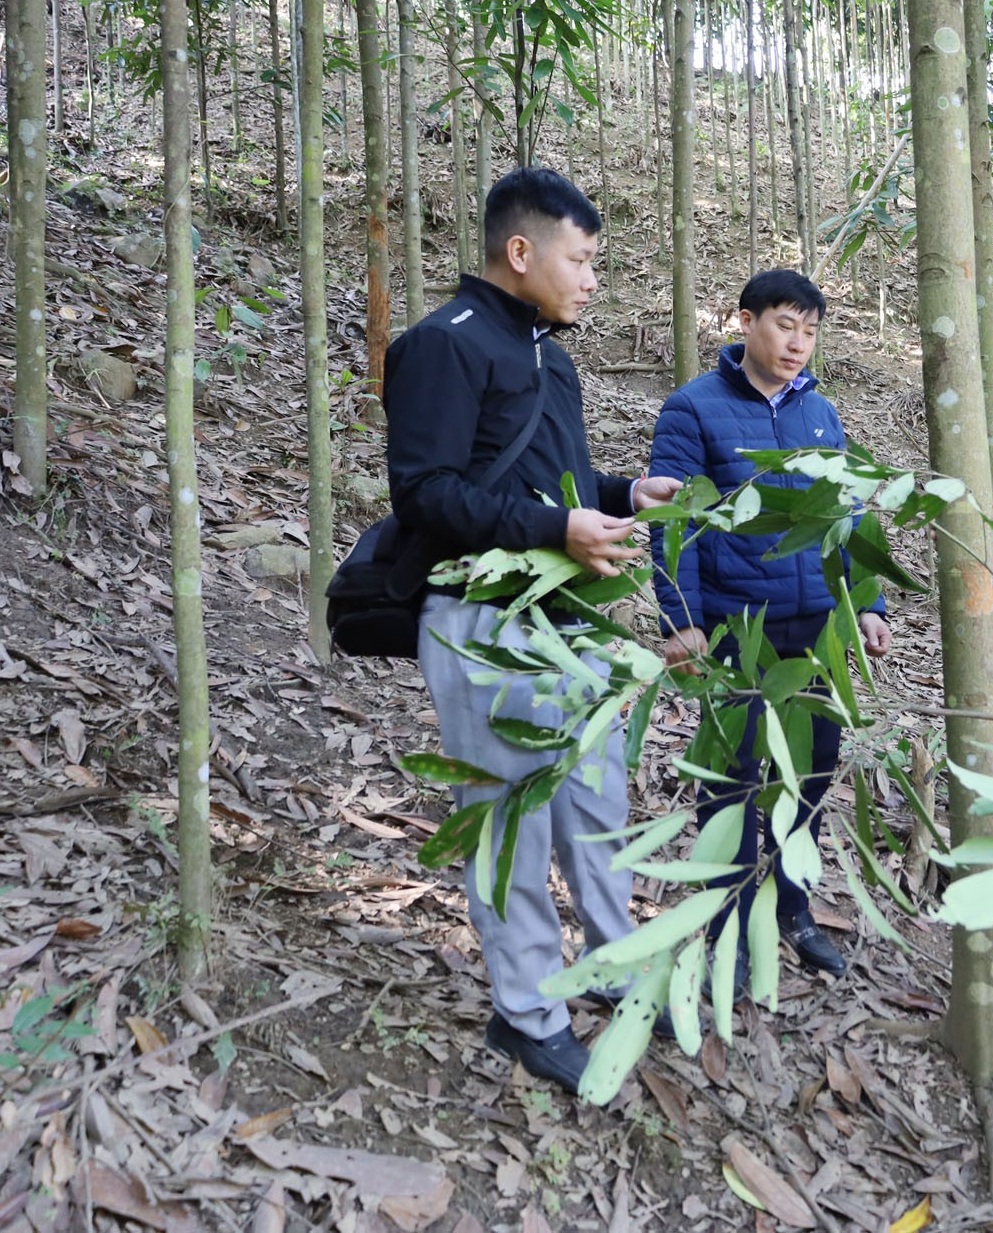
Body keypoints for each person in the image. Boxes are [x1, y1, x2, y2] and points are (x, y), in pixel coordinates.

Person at [386, 167, 680, 1097]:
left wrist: (620, 495)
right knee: (509, 821)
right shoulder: (444, 344)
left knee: (595, 802)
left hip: (566, 620)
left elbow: (546, 482)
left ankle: (614, 965)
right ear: (521, 253)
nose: (592, 278)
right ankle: (527, 1012)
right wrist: (557, 529)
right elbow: (427, 492)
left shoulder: (551, 355)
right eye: (581, 259)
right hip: (480, 621)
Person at [648, 269, 891, 986]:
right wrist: (683, 621)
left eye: (810, 330)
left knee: (809, 774)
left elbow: (845, 516)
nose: (798, 343)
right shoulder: (693, 409)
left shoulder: (822, 414)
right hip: (734, 626)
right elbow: (676, 524)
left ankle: (793, 907)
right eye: (785, 324)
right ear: (745, 321)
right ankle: (727, 916)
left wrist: (867, 605)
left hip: (814, 630)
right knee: (732, 777)